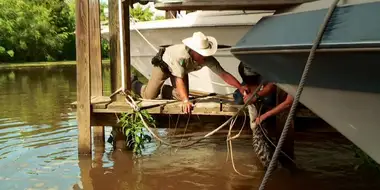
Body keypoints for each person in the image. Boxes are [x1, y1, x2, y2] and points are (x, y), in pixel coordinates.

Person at [132, 32, 248, 114]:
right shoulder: (181, 56)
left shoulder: (208, 59)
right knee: (149, 96)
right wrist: (186, 101)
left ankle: (162, 90)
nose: (204, 56)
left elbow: (224, 74)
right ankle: (134, 82)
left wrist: (240, 87)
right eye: (201, 53)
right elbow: (179, 79)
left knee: (181, 96)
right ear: (193, 51)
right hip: (164, 64)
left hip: (181, 71)